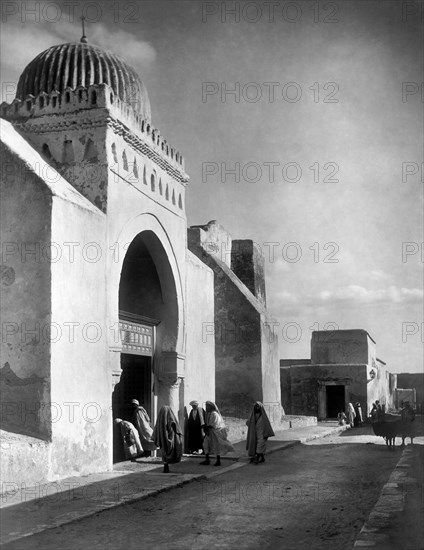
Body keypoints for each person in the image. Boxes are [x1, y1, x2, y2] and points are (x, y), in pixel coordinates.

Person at [201, 401, 235, 466]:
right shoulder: (208, 414)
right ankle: (207, 460)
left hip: (214, 432)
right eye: (206, 406)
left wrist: (205, 426)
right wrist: (205, 425)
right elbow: (208, 423)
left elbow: (213, 424)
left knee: (216, 446)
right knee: (205, 444)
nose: (206, 408)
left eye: (208, 406)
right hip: (209, 432)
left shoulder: (214, 414)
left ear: (211, 407)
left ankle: (218, 461)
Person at [153, 406, 183, 473]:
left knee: (164, 452)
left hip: (163, 439)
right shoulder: (171, 418)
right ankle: (167, 467)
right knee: (171, 451)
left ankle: (165, 467)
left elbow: (156, 430)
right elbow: (177, 428)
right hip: (171, 437)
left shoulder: (160, 420)